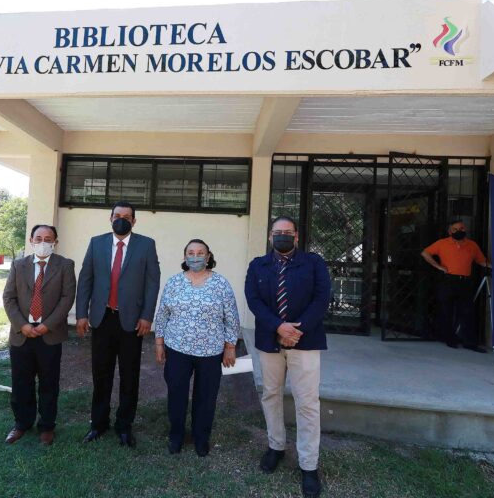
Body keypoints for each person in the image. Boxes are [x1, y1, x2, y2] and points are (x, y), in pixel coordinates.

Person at [245, 216, 331, 498]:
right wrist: (278, 327)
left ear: (296, 236)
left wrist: (297, 330)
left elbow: (322, 299)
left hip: (305, 342)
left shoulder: (314, 263)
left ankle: (308, 465)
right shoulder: (258, 265)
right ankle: (276, 446)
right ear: (270, 237)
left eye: (287, 232)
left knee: (307, 402)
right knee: (271, 394)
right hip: (269, 340)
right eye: (277, 232)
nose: (282, 236)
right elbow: (253, 299)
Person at [75, 201, 161, 447]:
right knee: (101, 374)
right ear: (110, 218)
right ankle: (98, 424)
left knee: (129, 375)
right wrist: (82, 314)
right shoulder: (96, 242)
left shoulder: (146, 245)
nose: (121, 219)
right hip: (102, 319)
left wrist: (147, 316)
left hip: (132, 322)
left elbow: (152, 282)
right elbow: (86, 279)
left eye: (127, 216)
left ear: (134, 221)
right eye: (117, 215)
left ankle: (124, 426)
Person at [154, 239, 239, 457]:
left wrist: (230, 346)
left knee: (206, 397)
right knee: (177, 394)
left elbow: (231, 317)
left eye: (200, 252)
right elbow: (163, 314)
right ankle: (176, 436)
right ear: (184, 257)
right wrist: (159, 343)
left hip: (210, 352)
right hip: (177, 349)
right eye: (190, 252)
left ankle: (201, 438)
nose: (195, 256)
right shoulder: (174, 282)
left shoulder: (221, 284)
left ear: (208, 256)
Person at [2, 224, 76, 446]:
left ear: (55, 242)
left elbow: (67, 298)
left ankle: (47, 426)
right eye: (39, 238)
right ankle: (22, 423)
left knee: (49, 383)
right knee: (21, 383)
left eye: (48, 238)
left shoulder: (65, 265)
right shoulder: (18, 265)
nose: (43, 242)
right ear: (31, 240)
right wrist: (22, 325)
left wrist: (47, 325)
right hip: (21, 335)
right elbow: (9, 298)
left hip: (49, 336)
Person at [421, 219, 491, 353]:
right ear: (449, 231)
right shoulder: (442, 243)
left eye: (461, 228)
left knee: (467, 312)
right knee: (447, 311)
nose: (459, 231)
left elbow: (482, 261)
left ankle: (470, 342)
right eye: (455, 229)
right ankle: (450, 339)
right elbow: (425, 253)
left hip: (465, 281)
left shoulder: (472, 245)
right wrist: (438, 266)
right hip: (448, 280)